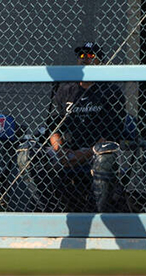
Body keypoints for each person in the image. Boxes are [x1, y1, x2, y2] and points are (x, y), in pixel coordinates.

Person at [44, 42, 128, 212]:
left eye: (90, 56)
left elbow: (112, 135)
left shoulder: (110, 91)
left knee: (105, 157)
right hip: (66, 150)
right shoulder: (65, 89)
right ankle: (48, 207)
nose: (85, 60)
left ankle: (100, 211)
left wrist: (83, 154)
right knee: (34, 155)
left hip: (96, 151)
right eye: (81, 56)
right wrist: (60, 151)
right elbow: (53, 127)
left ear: (100, 62)